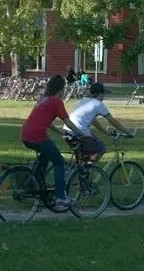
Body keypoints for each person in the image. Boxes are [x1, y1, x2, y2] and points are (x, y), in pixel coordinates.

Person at [20, 75, 92, 210]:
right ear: (60, 89)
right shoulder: (57, 102)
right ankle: (60, 197)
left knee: (45, 158)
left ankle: (36, 186)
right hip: (37, 137)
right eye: (64, 89)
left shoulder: (43, 99)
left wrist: (61, 132)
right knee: (59, 162)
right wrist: (83, 133)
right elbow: (68, 122)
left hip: (26, 134)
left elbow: (47, 121)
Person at [64, 82, 134, 161]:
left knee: (85, 154)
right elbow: (113, 122)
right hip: (79, 132)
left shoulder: (84, 101)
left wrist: (105, 132)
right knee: (101, 148)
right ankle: (89, 169)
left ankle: (83, 169)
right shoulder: (98, 104)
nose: (103, 97)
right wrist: (128, 133)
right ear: (100, 94)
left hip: (67, 131)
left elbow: (93, 121)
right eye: (103, 94)